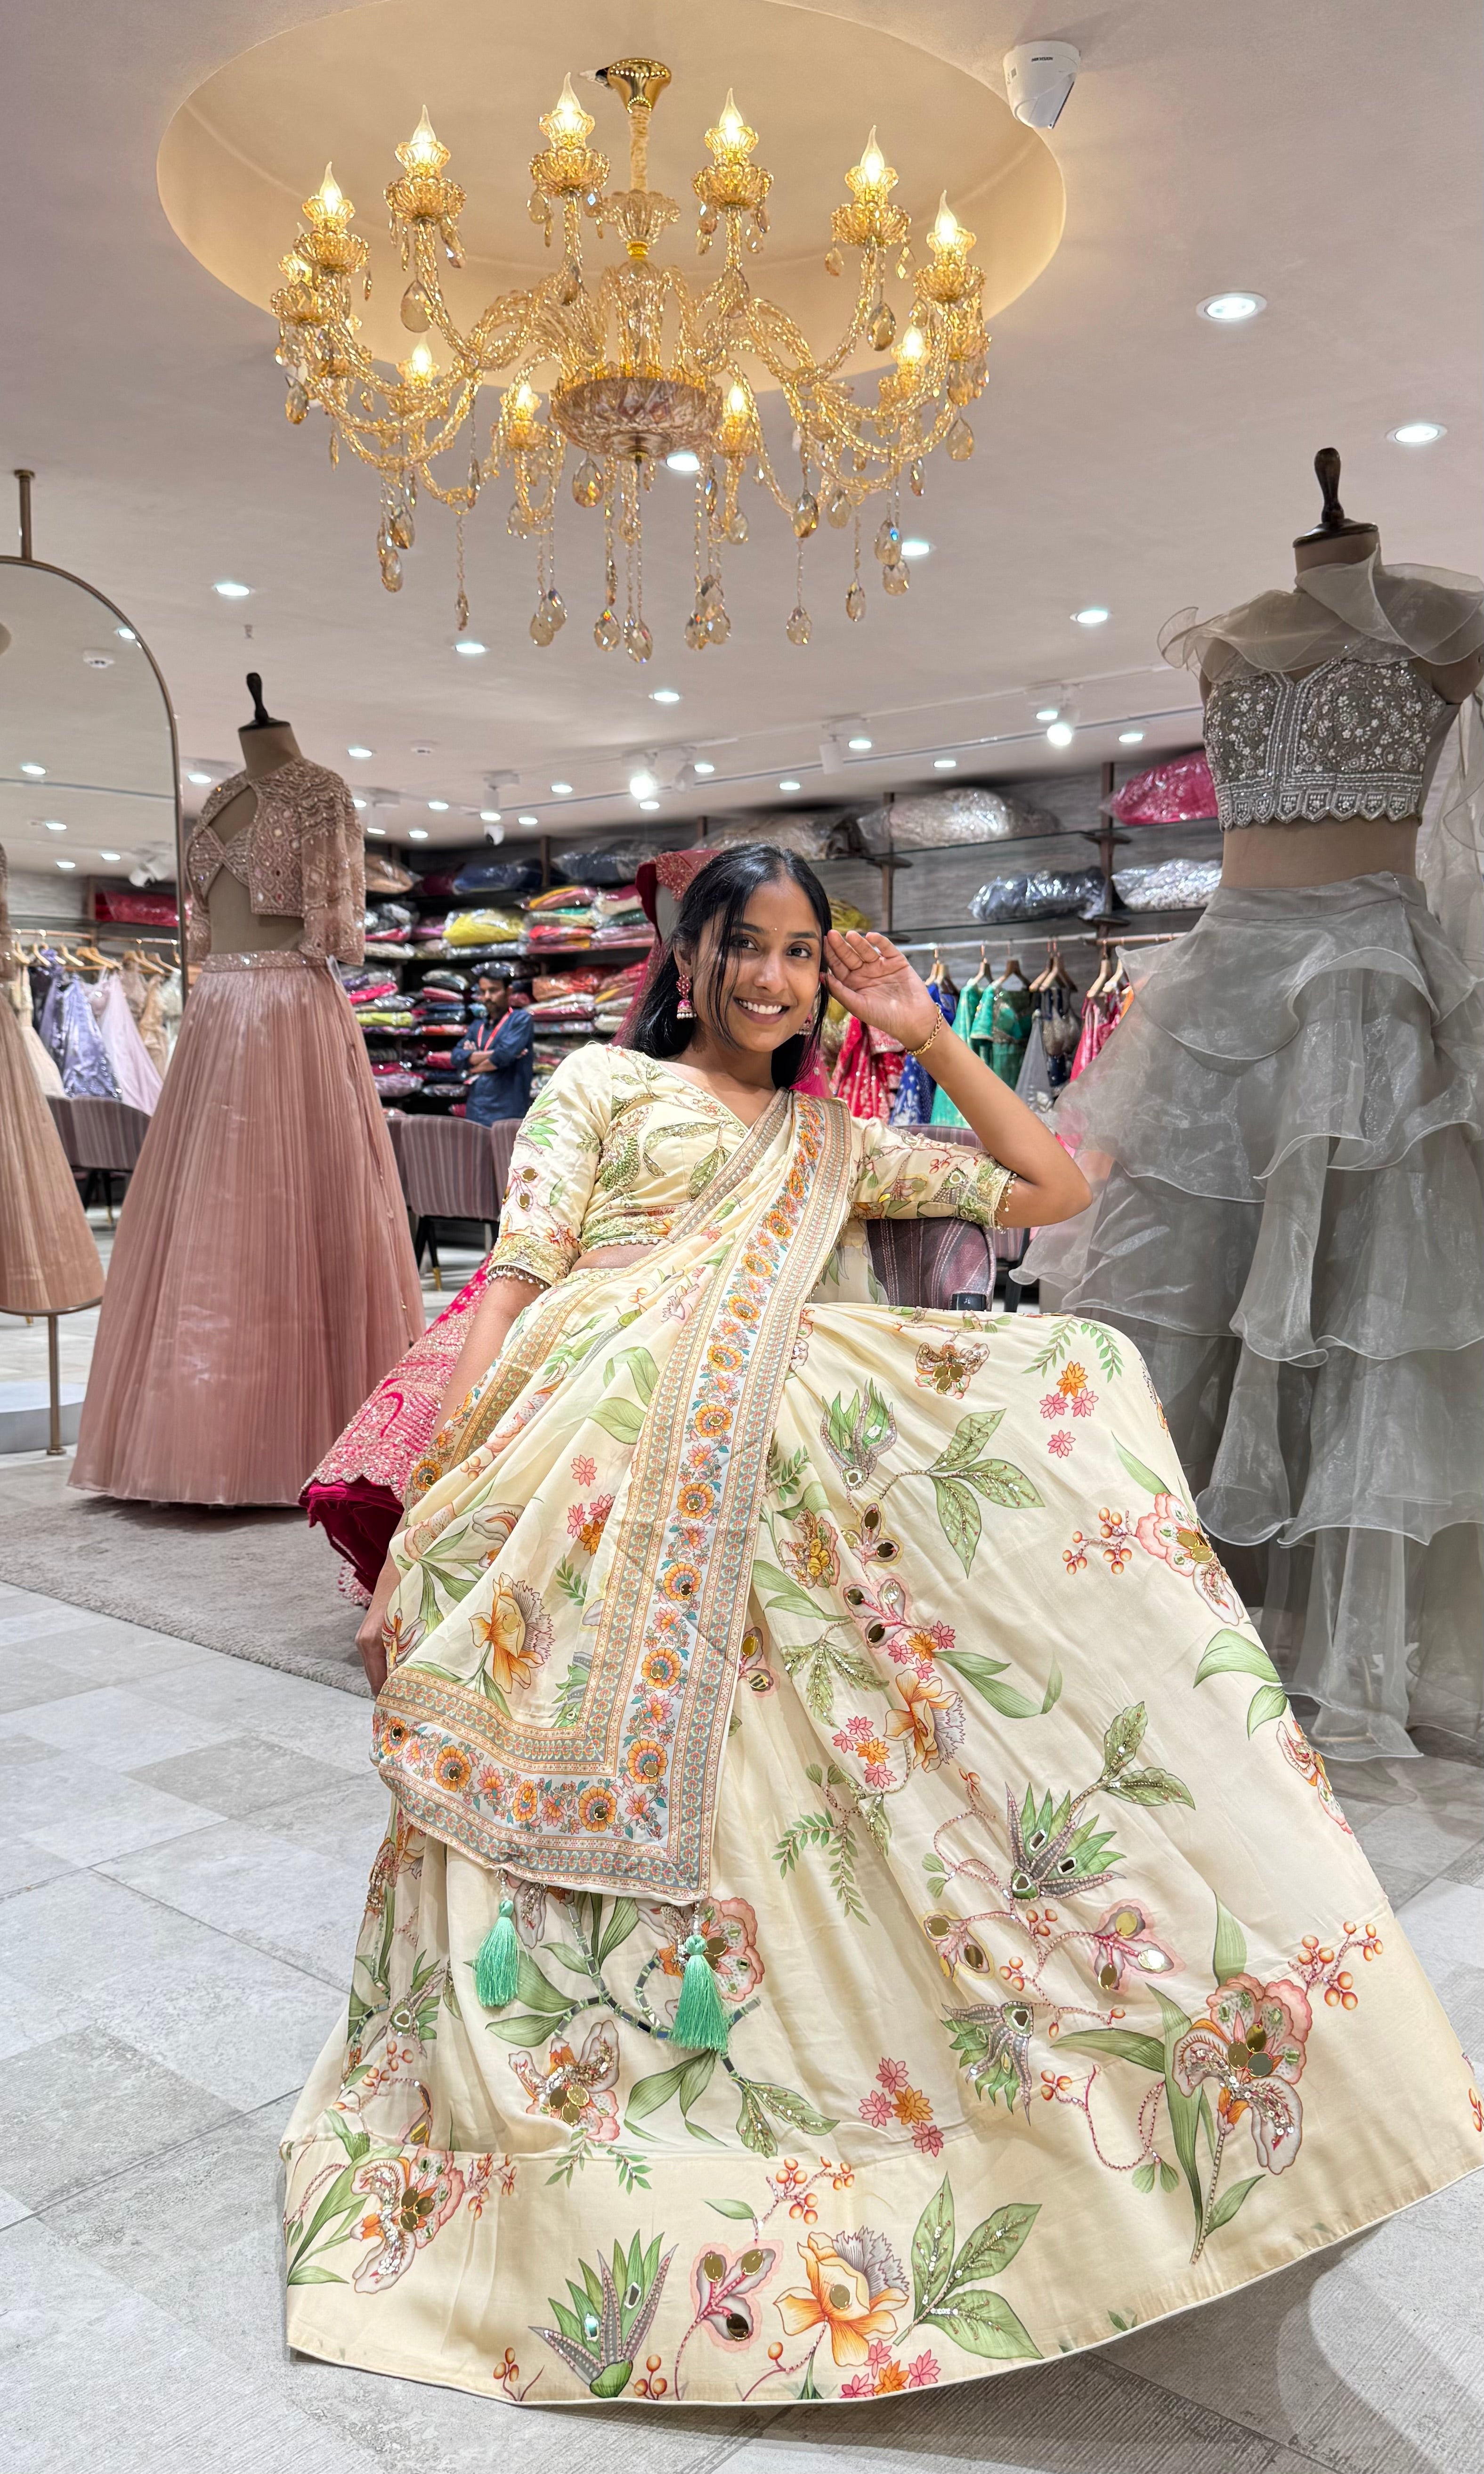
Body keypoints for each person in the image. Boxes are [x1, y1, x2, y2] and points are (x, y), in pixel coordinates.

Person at [282, 845, 1479, 2411]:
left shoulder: (836, 1141)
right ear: (687, 954)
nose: (769, 978)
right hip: (594, 1453)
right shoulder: (595, 1089)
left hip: (771, 1483)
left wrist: (922, 1031)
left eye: (797, 951)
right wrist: (445, 1470)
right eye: (741, 945)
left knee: (1054, 1412)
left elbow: (1054, 1186)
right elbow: (517, 1278)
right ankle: (585, 2110)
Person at [453, 970, 534, 1123]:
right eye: (483, 992)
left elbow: (503, 1056)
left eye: (493, 990)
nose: (487, 997)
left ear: (509, 991)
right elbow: (456, 1057)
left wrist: (472, 1064)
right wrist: (494, 1054)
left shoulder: (520, 1020)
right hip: (476, 1109)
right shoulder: (477, 1026)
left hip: (507, 1112)